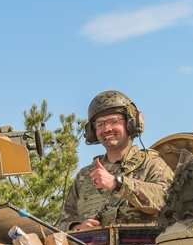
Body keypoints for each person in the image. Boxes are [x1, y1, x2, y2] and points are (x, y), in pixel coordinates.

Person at [58, 91, 174, 231]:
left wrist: (118, 183)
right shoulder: (85, 176)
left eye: (114, 121)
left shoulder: (151, 164)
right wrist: (77, 227)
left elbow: (167, 201)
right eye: (100, 124)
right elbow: (63, 223)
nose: (107, 129)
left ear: (131, 124)